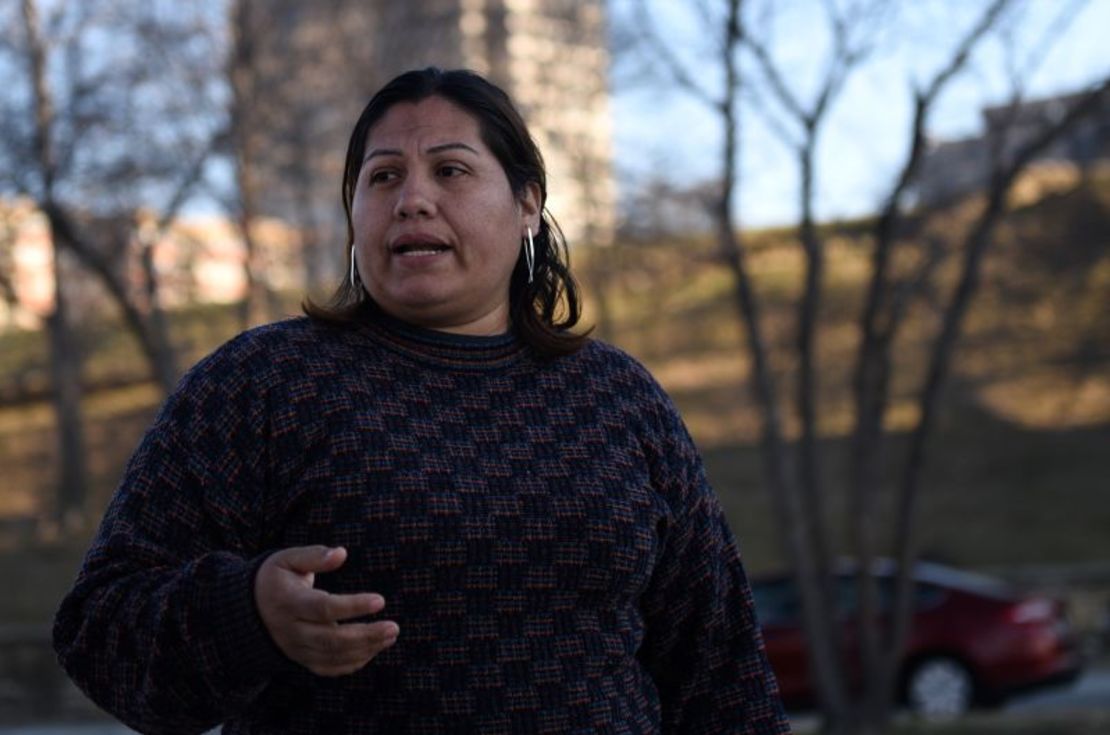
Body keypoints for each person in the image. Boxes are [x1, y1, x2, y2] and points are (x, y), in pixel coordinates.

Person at [53, 67, 791, 734]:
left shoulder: (620, 400)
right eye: (382, 178)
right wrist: (245, 615)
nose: (412, 200)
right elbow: (101, 632)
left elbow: (720, 670)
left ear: (527, 203)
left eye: (450, 170)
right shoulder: (264, 385)